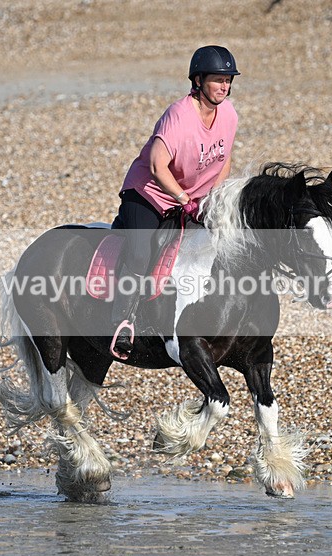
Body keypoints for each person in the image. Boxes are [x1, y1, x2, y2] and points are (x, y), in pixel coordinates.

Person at [109, 45, 240, 359]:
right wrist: (184, 200)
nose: (224, 86)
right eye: (217, 79)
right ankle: (123, 320)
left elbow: (224, 159)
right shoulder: (178, 116)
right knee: (140, 253)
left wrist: (210, 199)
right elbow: (157, 166)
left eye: (228, 80)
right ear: (198, 80)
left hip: (192, 198)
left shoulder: (229, 114)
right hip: (149, 194)